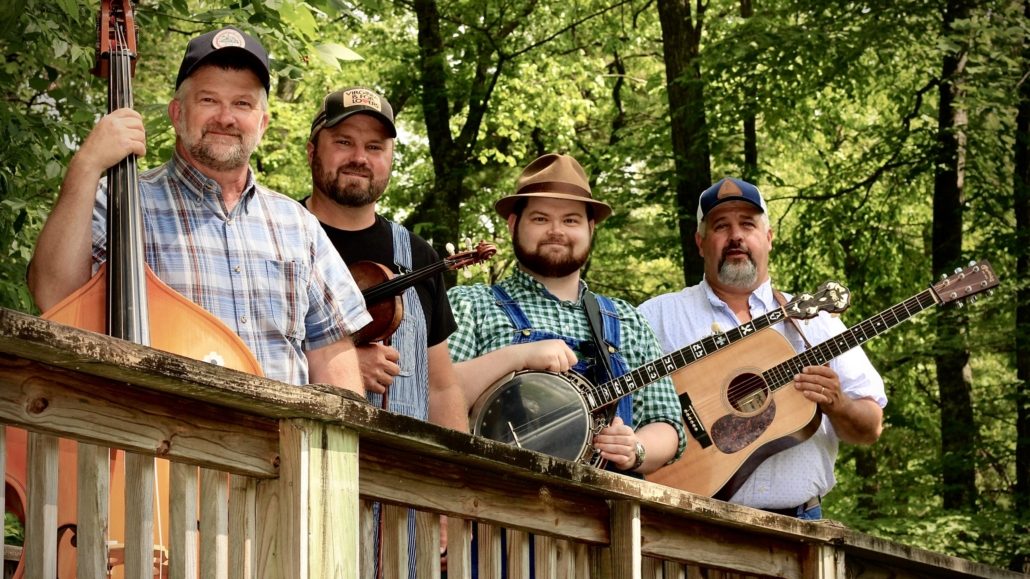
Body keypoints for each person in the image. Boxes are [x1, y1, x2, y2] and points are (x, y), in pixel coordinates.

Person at [27, 26, 370, 392]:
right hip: (163, 440)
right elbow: (54, 295)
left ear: (262, 123)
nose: (226, 117)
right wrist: (86, 166)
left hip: (278, 446)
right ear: (177, 114)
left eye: (243, 104)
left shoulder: (298, 225)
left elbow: (332, 355)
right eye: (208, 100)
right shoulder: (120, 201)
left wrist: (341, 447)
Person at [639, 177, 887, 519]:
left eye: (748, 224)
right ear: (700, 242)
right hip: (684, 518)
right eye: (721, 226)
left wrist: (838, 403)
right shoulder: (657, 316)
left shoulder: (816, 321)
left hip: (800, 526)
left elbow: (870, 427)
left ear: (768, 238)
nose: (736, 236)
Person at [303, 87, 467, 578]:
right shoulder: (278, 232)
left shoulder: (416, 255)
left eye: (374, 147)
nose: (359, 158)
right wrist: (340, 365)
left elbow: (442, 386)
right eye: (344, 141)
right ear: (313, 149)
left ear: (390, 158)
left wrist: (450, 488)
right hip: (300, 485)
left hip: (403, 505)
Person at [448, 153, 686, 474]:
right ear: (514, 224)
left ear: (589, 228)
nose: (556, 230)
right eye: (541, 218)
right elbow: (437, 394)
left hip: (602, 517)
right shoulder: (470, 304)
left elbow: (667, 421)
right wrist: (517, 357)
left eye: (571, 220)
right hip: (493, 509)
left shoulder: (627, 320)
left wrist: (636, 448)